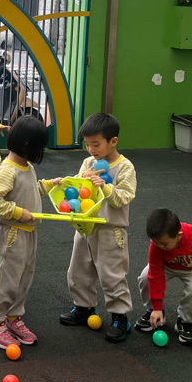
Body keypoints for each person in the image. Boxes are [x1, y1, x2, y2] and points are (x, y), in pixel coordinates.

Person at [0, 116, 62, 349]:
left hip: (27, 232)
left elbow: (30, 189)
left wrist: (50, 184)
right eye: (39, 147)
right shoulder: (8, 170)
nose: (41, 152)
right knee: (6, 280)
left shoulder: (26, 166)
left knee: (24, 278)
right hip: (11, 234)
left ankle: (13, 317)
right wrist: (17, 212)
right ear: (28, 145)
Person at [60, 112, 137, 343]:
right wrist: (82, 178)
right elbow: (77, 189)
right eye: (87, 144)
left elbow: (124, 197)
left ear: (113, 141)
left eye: (96, 144)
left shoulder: (125, 167)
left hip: (110, 229)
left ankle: (120, 316)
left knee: (112, 274)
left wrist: (104, 186)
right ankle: (83, 307)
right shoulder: (88, 163)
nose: (91, 150)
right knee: (78, 270)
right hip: (85, 226)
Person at [135, 208, 192, 346]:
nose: (160, 246)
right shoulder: (156, 246)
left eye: (164, 244)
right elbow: (155, 274)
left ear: (179, 236)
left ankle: (185, 321)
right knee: (145, 277)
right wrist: (157, 306)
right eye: (156, 242)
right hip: (166, 267)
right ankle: (155, 312)